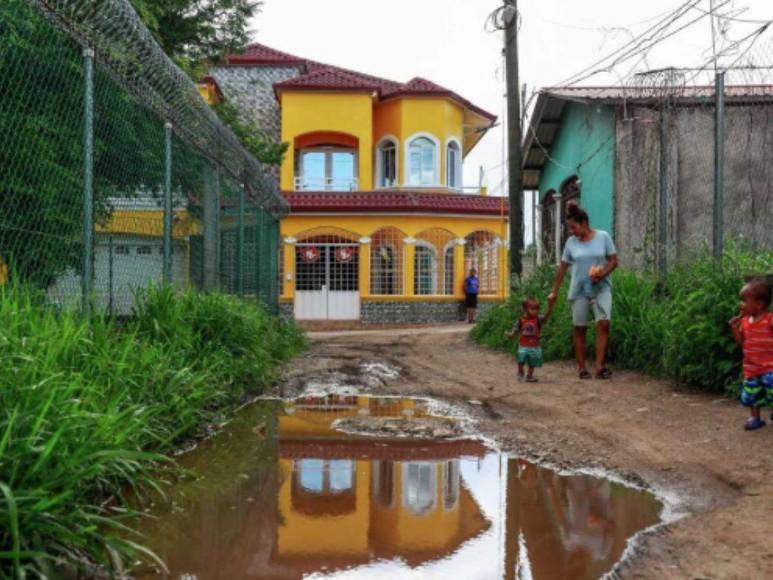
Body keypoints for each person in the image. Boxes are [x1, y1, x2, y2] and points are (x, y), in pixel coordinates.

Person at [547, 202, 618, 379]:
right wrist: (554, 291)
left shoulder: (603, 237)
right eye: (570, 228)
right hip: (579, 291)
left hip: (601, 288)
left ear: (584, 223)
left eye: (573, 227)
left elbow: (613, 261)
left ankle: (600, 366)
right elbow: (562, 269)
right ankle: (581, 368)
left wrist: (602, 274)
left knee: (604, 324)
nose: (571, 231)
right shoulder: (571, 243)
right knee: (580, 328)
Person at [729, 279, 773, 431]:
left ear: (759, 304)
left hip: (770, 367)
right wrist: (735, 328)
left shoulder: (770, 319)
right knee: (752, 393)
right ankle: (755, 417)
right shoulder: (745, 321)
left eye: (744, 301)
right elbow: (741, 341)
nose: (741, 305)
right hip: (751, 367)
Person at [505, 296, 554, 382]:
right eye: (532, 309)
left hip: (534, 346)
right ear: (525, 309)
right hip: (523, 345)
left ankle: (529, 375)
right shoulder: (521, 320)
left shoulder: (538, 319)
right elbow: (515, 330)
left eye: (537, 309)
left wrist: (549, 307)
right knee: (521, 359)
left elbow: (546, 316)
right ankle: (520, 372)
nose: (535, 311)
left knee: (532, 362)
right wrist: (510, 334)